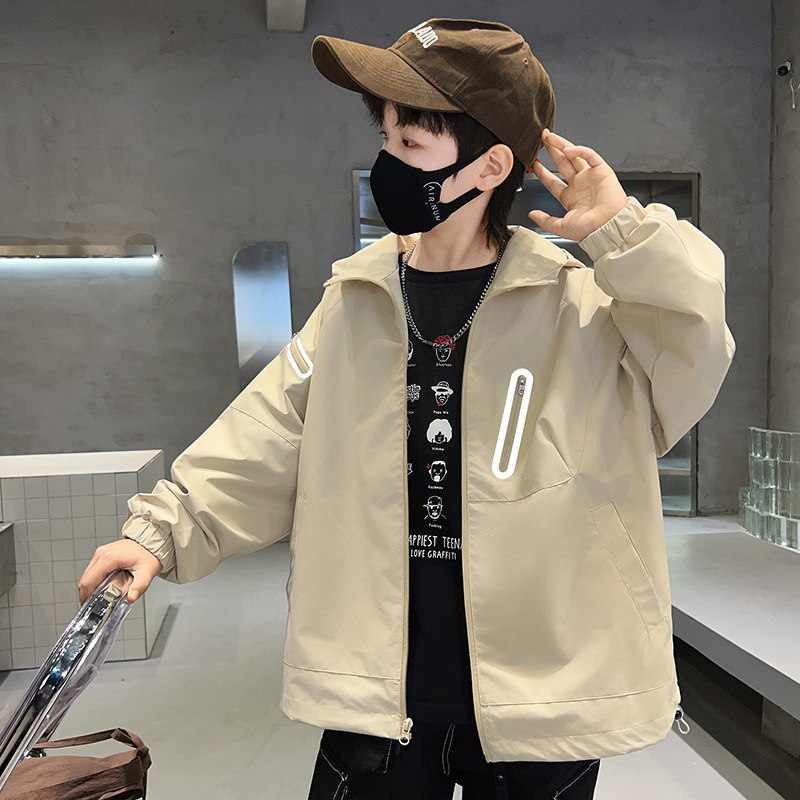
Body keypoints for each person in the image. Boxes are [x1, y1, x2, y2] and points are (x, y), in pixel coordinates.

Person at [78, 17, 736, 800]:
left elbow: (695, 345)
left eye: (412, 143)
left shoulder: (582, 308)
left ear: (491, 165)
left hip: (539, 698)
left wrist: (623, 234)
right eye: (387, 137)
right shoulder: (356, 298)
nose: (388, 160)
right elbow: (269, 430)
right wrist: (159, 531)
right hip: (379, 690)